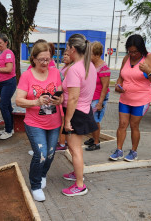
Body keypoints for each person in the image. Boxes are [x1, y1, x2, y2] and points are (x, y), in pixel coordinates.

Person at [15, 42, 63, 201]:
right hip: (34, 123)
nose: (45, 63)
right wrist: (36, 102)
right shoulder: (27, 76)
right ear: (33, 59)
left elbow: (61, 94)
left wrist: (58, 100)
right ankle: (35, 185)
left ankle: (42, 174)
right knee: (41, 154)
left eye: (48, 59)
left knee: (50, 154)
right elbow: (19, 101)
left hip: (54, 122)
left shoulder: (55, 72)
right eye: (41, 59)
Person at [110, 34, 151, 161]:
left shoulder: (149, 58)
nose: (132, 54)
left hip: (141, 100)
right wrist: (118, 85)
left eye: (135, 52)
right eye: (130, 51)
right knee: (122, 124)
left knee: (134, 125)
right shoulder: (126, 58)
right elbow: (121, 76)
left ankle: (133, 152)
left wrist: (148, 71)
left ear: (141, 49)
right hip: (125, 98)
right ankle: (119, 150)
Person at [62, 34, 97, 197]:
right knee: (76, 148)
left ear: (73, 49)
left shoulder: (75, 69)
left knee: (74, 149)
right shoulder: (89, 65)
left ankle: (80, 185)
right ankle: (77, 174)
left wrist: (67, 120)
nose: (67, 51)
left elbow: (74, 98)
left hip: (77, 113)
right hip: (84, 111)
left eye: (68, 48)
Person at [84, 41, 111, 151]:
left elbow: (105, 87)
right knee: (90, 119)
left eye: (90, 54)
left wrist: (100, 103)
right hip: (91, 97)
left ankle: (96, 143)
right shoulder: (91, 65)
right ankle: (94, 137)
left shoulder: (103, 68)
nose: (88, 56)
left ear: (96, 54)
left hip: (99, 97)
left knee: (95, 120)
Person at [56, 50, 73, 152]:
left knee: (63, 121)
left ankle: (62, 143)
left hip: (65, 97)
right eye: (64, 54)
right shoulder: (64, 66)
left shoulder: (70, 68)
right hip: (63, 96)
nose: (65, 56)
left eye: (68, 55)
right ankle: (63, 141)